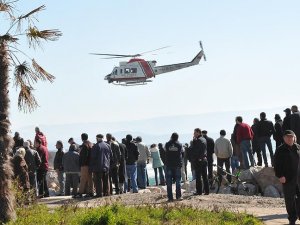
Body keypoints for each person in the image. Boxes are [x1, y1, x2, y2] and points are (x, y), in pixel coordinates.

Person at [274, 130, 300, 225]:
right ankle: (292, 219)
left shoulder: (298, 148)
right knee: (289, 200)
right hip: (287, 178)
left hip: (298, 178)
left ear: (294, 137)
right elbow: (276, 164)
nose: (289, 138)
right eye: (287, 137)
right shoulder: (280, 149)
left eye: (291, 137)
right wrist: (280, 176)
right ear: (284, 138)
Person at [189, 128, 209, 195]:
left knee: (198, 176)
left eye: (195, 133)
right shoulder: (204, 139)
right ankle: (207, 191)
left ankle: (199, 191)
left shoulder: (198, 140)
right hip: (204, 159)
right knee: (205, 176)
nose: (194, 134)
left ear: (198, 133)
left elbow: (196, 151)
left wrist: (197, 158)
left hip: (199, 160)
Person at [165, 132, 183, 201]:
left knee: (169, 181)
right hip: (177, 164)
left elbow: (165, 151)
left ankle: (170, 198)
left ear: (171, 137)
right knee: (178, 181)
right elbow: (181, 153)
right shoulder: (179, 144)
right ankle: (178, 196)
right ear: (177, 138)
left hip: (169, 164)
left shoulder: (167, 144)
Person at [78, 133, 94, 197]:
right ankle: (90, 192)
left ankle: (80, 193)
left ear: (82, 138)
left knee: (83, 179)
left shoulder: (84, 145)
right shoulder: (91, 144)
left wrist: (82, 164)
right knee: (90, 179)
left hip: (85, 165)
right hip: (91, 164)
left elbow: (84, 156)